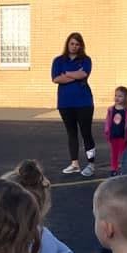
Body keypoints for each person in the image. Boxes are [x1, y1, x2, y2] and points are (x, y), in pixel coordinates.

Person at [52, 32, 96, 176]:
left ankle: (91, 164)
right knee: (72, 133)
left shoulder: (86, 60)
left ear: (81, 46)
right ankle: (74, 164)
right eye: (72, 43)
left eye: (77, 44)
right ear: (68, 44)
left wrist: (67, 74)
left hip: (84, 102)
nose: (74, 46)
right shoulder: (58, 60)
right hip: (65, 103)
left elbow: (83, 74)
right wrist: (74, 74)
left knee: (86, 133)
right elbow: (56, 79)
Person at [104, 86, 127, 175]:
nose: (117, 98)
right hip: (113, 135)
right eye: (116, 95)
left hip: (122, 135)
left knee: (123, 153)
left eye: (120, 96)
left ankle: (123, 168)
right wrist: (107, 131)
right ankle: (114, 168)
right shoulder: (111, 109)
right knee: (114, 153)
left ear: (126, 98)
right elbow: (107, 121)